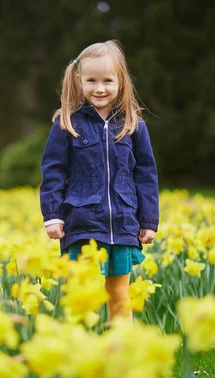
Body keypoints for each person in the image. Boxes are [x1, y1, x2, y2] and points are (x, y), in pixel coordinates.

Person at [39, 40, 159, 321]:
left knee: (118, 296)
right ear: (79, 81)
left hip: (122, 223)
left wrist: (148, 221)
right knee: (83, 294)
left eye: (107, 80)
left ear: (121, 82)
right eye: (92, 81)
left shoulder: (133, 125)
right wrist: (53, 215)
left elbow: (146, 175)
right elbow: (53, 172)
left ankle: (120, 354)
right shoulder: (67, 124)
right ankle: (82, 353)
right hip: (81, 224)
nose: (100, 88)